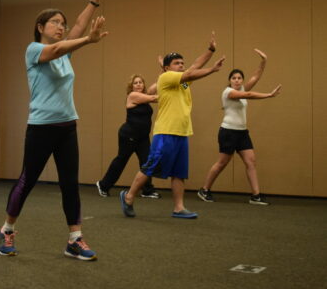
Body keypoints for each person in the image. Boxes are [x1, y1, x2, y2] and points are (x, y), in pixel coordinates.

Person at [0, 0, 108, 261]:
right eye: (55, 22)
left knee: (70, 183)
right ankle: (6, 230)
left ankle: (75, 238)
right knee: (28, 179)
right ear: (40, 27)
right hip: (41, 128)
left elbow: (78, 28)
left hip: (67, 127)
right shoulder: (34, 50)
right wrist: (88, 40)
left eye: (63, 23)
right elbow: (60, 46)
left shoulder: (63, 55)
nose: (61, 26)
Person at [119, 33, 224, 219]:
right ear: (167, 68)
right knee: (150, 167)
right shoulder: (166, 77)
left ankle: (178, 208)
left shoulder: (182, 81)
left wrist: (210, 50)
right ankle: (128, 196)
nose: (181, 65)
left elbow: (194, 66)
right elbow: (193, 72)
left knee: (179, 172)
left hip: (182, 132)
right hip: (166, 131)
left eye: (182, 63)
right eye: (176, 63)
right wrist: (213, 70)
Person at [197, 49, 281, 205]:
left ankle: (255, 196)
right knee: (222, 163)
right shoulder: (228, 92)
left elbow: (256, 76)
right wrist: (268, 95)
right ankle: (204, 189)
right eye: (234, 78)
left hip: (242, 133)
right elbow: (248, 95)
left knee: (251, 162)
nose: (237, 80)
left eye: (239, 78)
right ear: (230, 81)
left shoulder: (241, 89)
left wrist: (263, 61)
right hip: (228, 132)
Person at [96, 73, 161, 199]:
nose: (138, 85)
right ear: (131, 86)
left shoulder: (144, 95)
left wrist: (165, 72)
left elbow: (158, 84)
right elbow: (154, 98)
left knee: (147, 161)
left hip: (142, 137)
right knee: (121, 160)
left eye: (140, 82)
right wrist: (172, 94)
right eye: (135, 83)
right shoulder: (133, 96)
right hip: (129, 135)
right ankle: (103, 185)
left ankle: (147, 190)